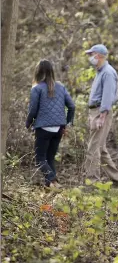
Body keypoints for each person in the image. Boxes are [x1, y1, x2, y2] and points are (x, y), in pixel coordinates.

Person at [26, 59, 75, 188]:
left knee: (40, 159)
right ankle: (50, 187)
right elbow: (72, 106)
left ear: (37, 72)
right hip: (58, 128)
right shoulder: (61, 86)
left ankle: (54, 181)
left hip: (43, 128)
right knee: (50, 158)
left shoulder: (37, 88)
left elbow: (32, 110)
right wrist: (66, 124)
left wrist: (28, 123)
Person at [83, 44, 118, 186]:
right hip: (96, 111)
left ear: (98, 55)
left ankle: (92, 182)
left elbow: (107, 97)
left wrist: (102, 116)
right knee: (100, 148)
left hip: (100, 112)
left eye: (91, 54)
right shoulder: (101, 71)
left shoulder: (107, 72)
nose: (90, 57)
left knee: (93, 149)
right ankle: (117, 179)